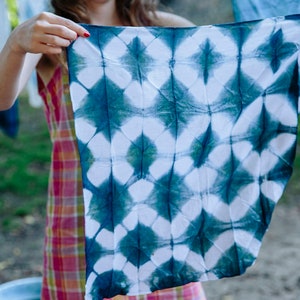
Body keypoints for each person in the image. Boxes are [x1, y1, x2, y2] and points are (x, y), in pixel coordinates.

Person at [0, 0, 206, 299]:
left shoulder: (171, 29)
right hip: (81, 228)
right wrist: (17, 44)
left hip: (162, 226)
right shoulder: (51, 35)